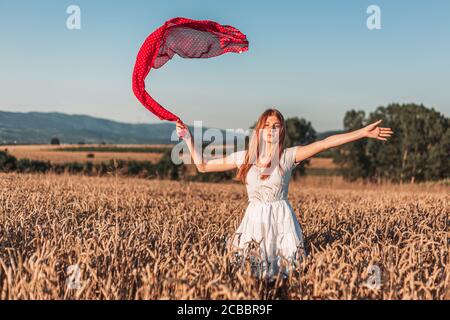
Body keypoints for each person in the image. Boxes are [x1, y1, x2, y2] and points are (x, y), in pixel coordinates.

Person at [176, 108, 393, 280]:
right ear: (259, 130)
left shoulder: (289, 156)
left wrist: (363, 133)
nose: (271, 130)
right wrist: (188, 138)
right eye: (267, 125)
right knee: (249, 276)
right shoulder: (244, 157)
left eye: (276, 126)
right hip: (254, 222)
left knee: (285, 276)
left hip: (282, 222)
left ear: (281, 131)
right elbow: (203, 166)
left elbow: (324, 143)